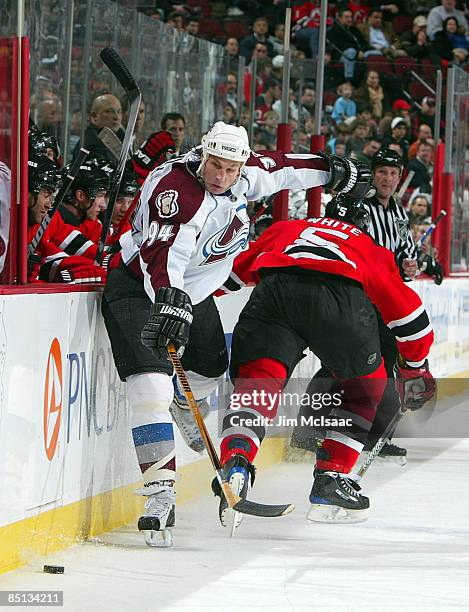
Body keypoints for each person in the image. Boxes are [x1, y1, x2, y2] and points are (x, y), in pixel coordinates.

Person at [101, 121, 372, 546]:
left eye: (230, 168)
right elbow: (164, 257)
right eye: (214, 164)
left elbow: (283, 167)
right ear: (202, 154)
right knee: (149, 386)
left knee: (209, 369)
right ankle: (159, 493)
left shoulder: (244, 175)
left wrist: (332, 168)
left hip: (192, 292)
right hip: (139, 287)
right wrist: (169, 300)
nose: (220, 175)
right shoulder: (179, 193)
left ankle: (182, 402)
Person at [213, 194, 435, 526]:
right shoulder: (367, 246)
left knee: (260, 382)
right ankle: (330, 477)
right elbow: (410, 317)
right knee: (365, 388)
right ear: (361, 226)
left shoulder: (287, 228)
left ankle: (237, 462)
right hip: (339, 297)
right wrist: (414, 367)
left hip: (274, 294)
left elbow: (228, 276)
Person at [292, 149, 420, 462]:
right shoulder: (354, 206)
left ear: (399, 176)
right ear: (372, 175)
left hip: (386, 303)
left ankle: (376, 436)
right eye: (382, 172)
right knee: (340, 363)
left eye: (393, 173)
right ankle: (307, 432)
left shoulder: (399, 215)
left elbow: (406, 253)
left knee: (385, 364)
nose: (388, 179)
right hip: (354, 298)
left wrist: (413, 264)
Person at [27, 156, 106, 283]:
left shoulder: (48, 218)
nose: (48, 204)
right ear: (26, 190)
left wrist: (106, 260)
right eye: (46, 195)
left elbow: (71, 241)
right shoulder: (6, 223)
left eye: (51, 196)